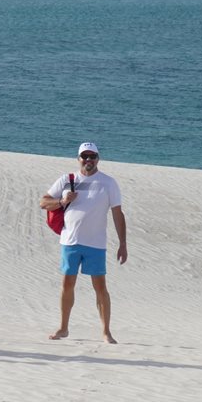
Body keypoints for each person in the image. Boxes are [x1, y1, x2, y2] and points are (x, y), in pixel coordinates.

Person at [40, 142, 127, 344]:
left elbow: (117, 213)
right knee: (67, 284)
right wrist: (62, 201)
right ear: (78, 158)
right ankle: (63, 328)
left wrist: (123, 243)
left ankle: (106, 332)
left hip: (96, 244)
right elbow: (43, 202)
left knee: (100, 287)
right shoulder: (67, 179)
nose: (88, 160)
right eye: (84, 156)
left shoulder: (108, 183)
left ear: (98, 158)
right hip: (70, 241)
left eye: (92, 156)